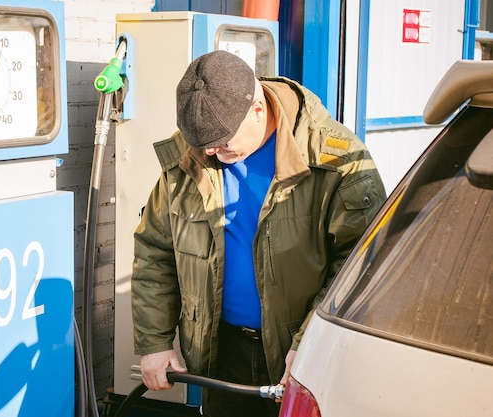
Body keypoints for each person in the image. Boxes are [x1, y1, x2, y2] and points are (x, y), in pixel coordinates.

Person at [131, 50, 386, 417]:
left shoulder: (336, 162)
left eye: (221, 141)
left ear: (257, 108)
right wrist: (154, 341)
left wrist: (311, 342)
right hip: (221, 354)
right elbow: (156, 249)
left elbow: (364, 263)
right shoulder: (195, 153)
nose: (210, 152)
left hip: (299, 359)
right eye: (204, 143)